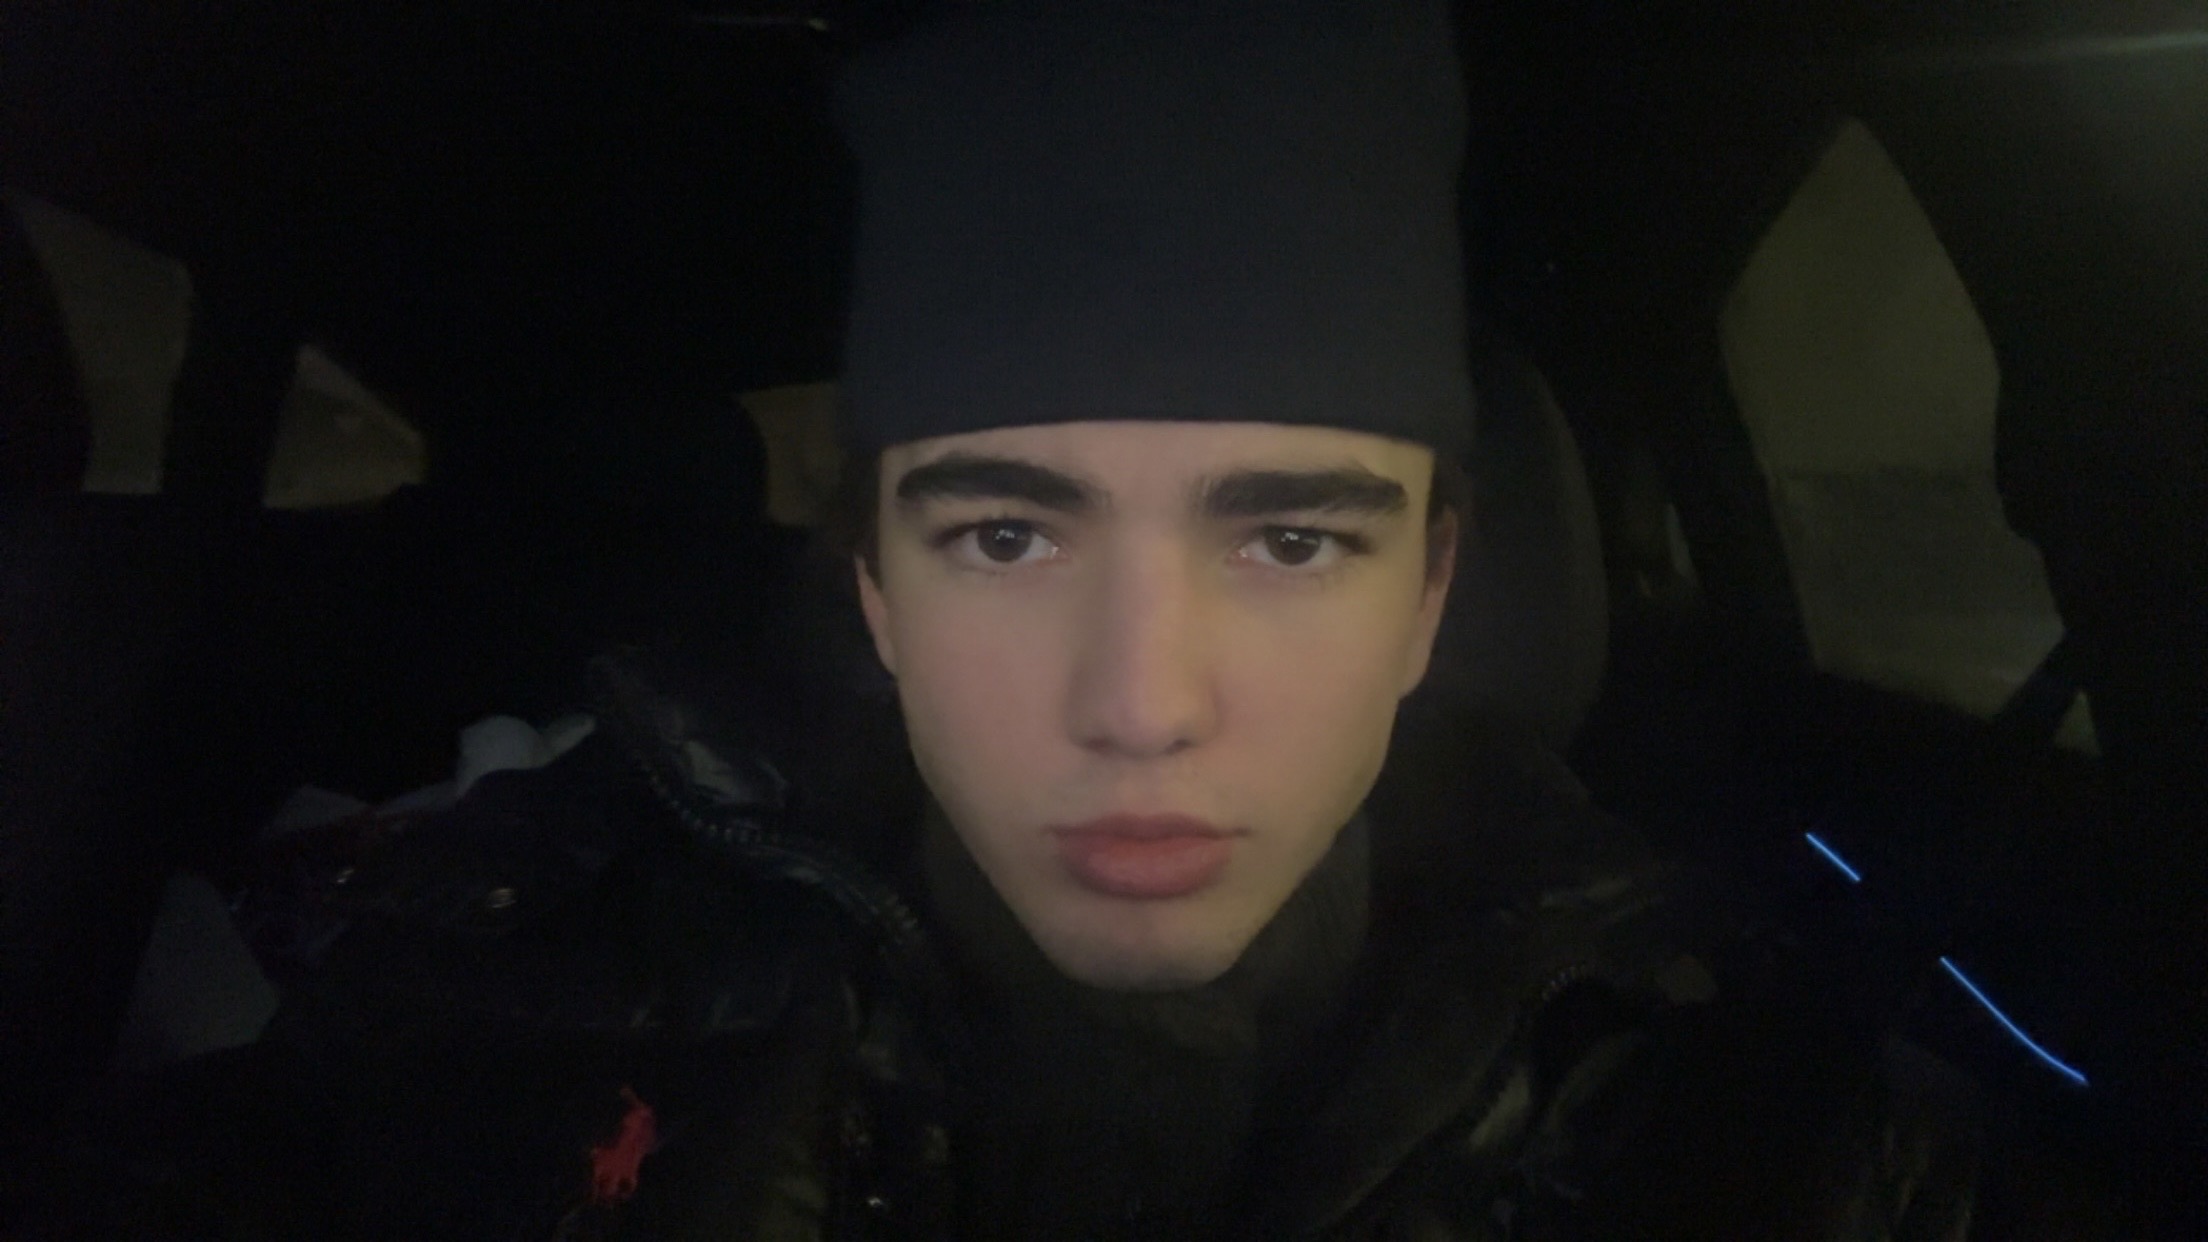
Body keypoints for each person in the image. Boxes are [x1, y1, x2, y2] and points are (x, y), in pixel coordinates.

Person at [90, 2, 1978, 1238]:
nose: (1140, 701)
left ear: (1430, 597)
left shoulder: (1749, 1108)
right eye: (1005, 535)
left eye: (1291, 540)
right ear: (873, 588)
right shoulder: (491, 995)